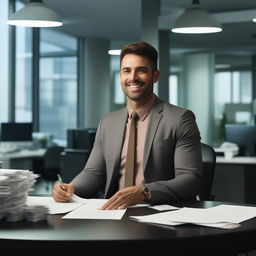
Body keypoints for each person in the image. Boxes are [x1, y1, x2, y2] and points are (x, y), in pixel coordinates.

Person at [52, 41, 202, 209]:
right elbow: (94, 173)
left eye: (141, 70)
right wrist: (72, 188)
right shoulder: (108, 122)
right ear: (121, 77)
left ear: (155, 76)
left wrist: (144, 192)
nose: (132, 78)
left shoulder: (180, 119)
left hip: (159, 214)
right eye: (126, 71)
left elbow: (190, 180)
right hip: (112, 214)